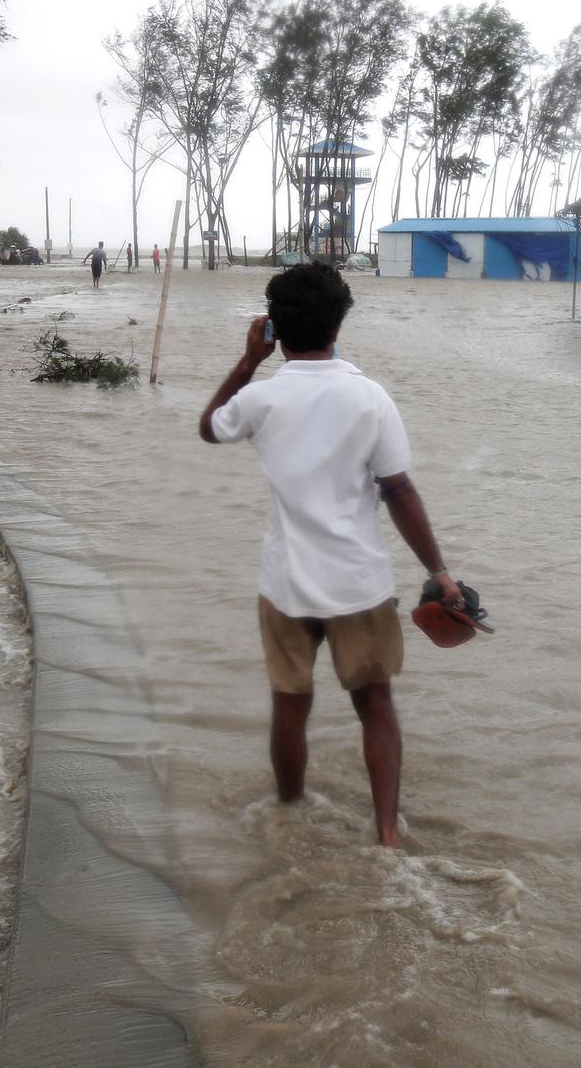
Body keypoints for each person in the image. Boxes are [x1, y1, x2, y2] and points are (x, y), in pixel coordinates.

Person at [197, 262, 465, 848]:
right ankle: (388, 834)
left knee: (290, 706)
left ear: (274, 329)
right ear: (340, 322)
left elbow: (209, 428)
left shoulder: (262, 398)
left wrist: (248, 362)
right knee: (376, 707)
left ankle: (288, 817)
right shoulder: (370, 399)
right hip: (358, 586)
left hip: (286, 586)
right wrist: (439, 573)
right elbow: (399, 491)